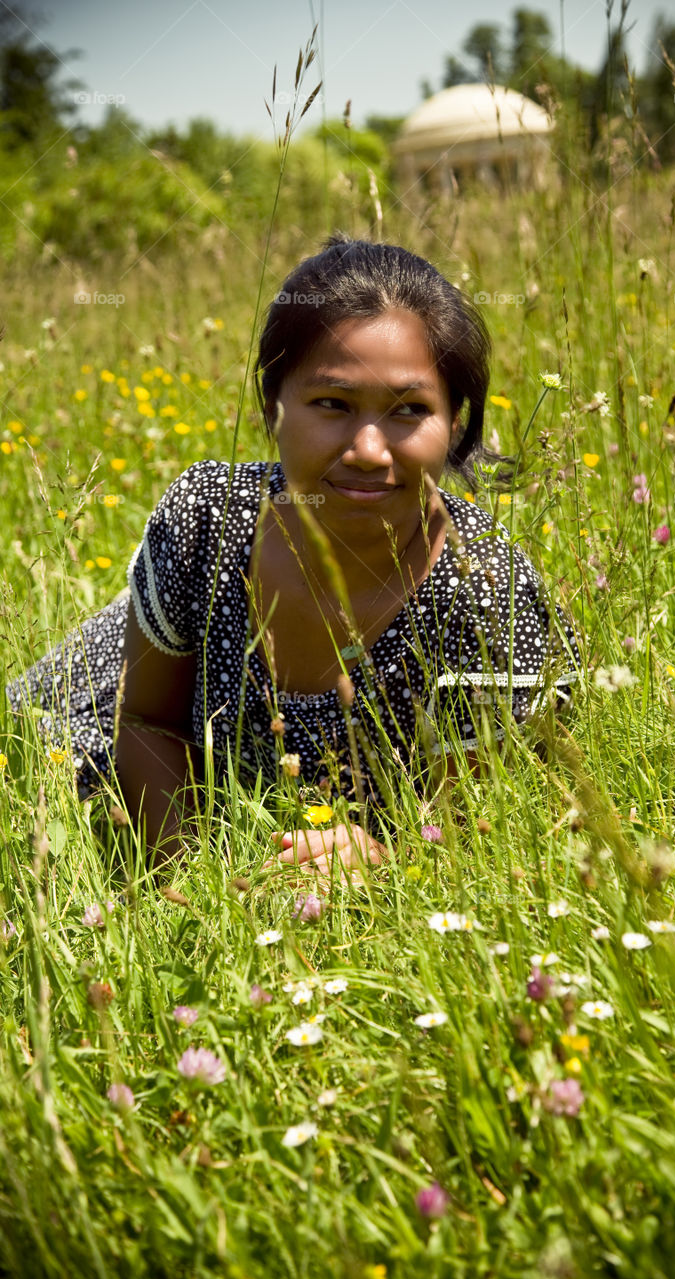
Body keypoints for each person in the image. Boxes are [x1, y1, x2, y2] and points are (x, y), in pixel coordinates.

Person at [6, 236, 581, 879]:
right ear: (274, 406)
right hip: (105, 697)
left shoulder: (485, 598)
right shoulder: (207, 521)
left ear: (454, 422)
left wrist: (384, 861)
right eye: (332, 404)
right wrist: (191, 885)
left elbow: (476, 832)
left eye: (409, 410)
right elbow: (141, 719)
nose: (368, 448)